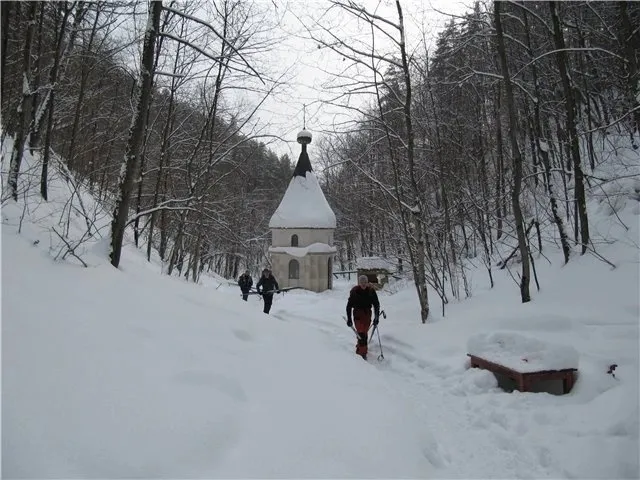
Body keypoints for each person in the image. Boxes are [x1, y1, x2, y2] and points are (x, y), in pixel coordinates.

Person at [346, 275, 380, 360]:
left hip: (367, 314)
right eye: (362, 282)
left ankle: (360, 347)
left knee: (364, 332)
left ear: (367, 282)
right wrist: (349, 319)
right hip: (357, 314)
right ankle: (362, 354)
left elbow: (376, 305)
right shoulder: (354, 291)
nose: (363, 284)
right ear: (359, 283)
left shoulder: (371, 291)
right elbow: (349, 306)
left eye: (365, 282)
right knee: (361, 333)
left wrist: (376, 318)